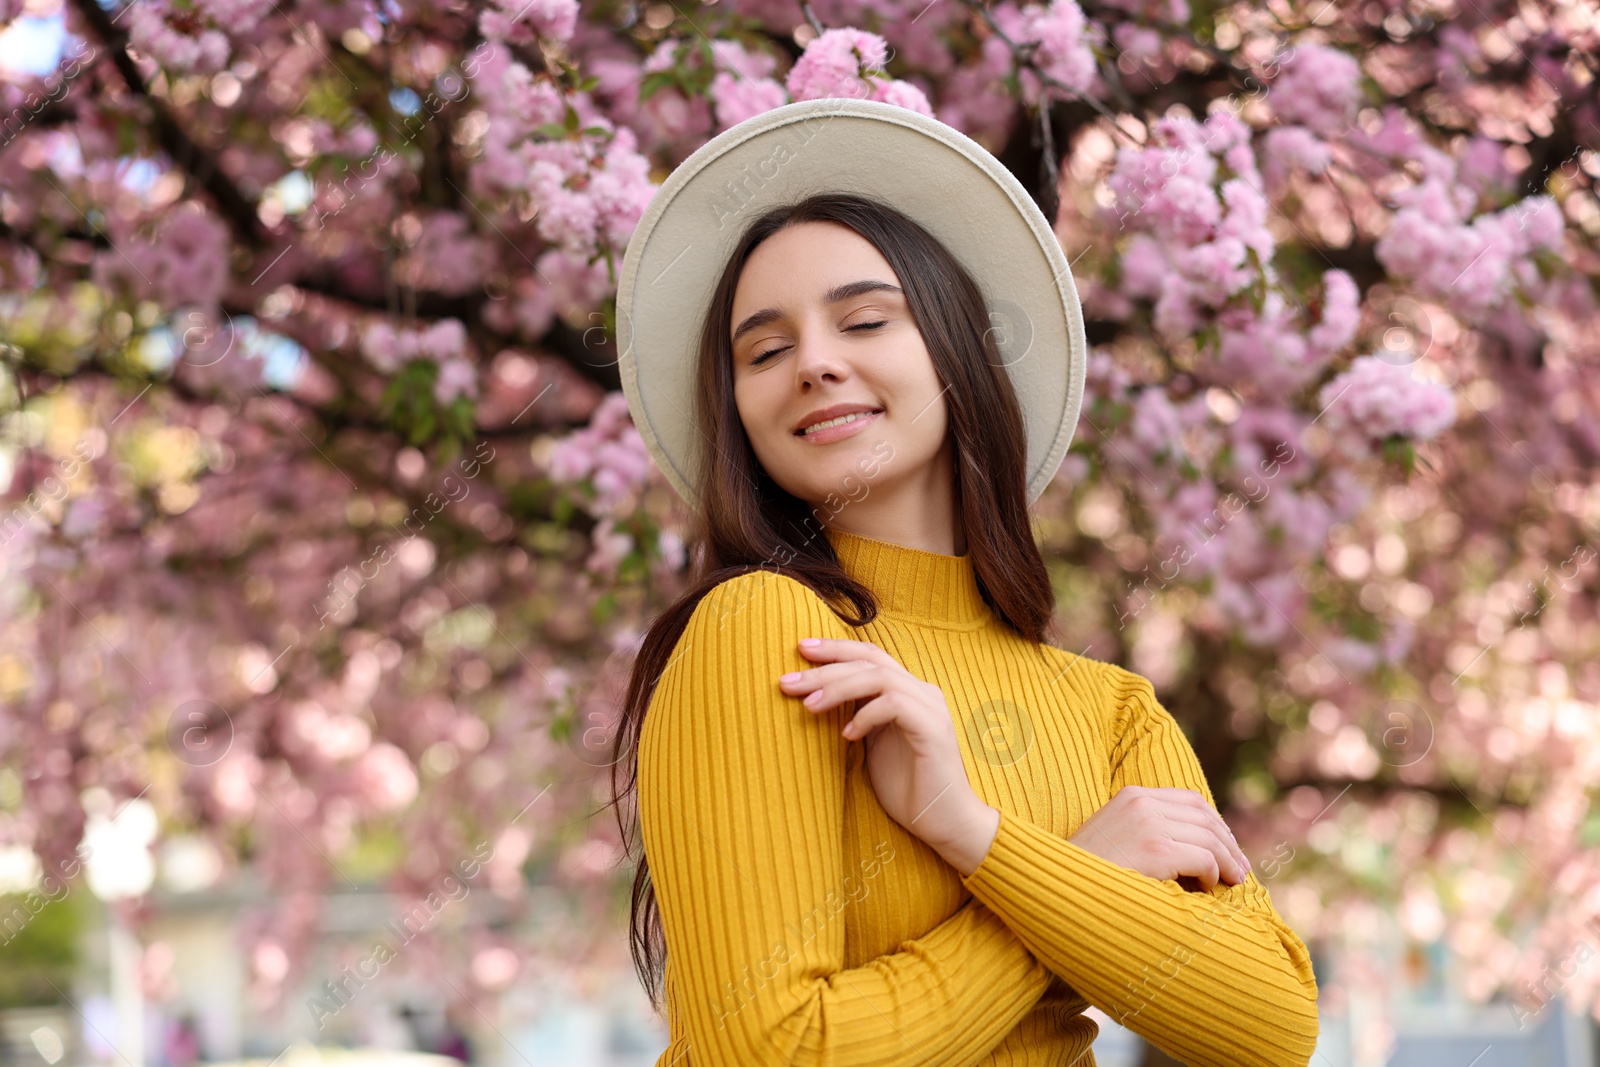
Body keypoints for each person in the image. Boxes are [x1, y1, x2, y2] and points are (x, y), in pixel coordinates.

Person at [605, 98, 1319, 1066]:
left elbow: (1270, 1027)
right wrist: (1072, 873)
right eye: (765, 350)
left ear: (959, 356)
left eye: (863, 319)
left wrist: (971, 830)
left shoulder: (1106, 708)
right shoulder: (767, 629)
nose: (813, 362)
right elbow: (769, 1052)